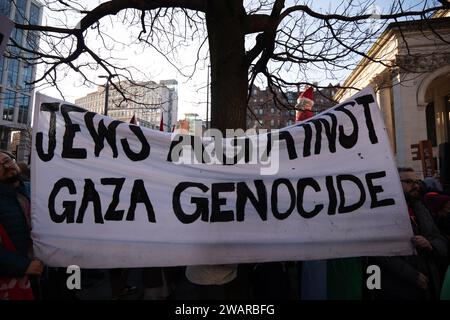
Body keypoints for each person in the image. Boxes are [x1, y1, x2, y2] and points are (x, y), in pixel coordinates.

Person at [370, 167, 448, 300]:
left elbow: (440, 238)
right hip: (399, 288)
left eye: (416, 181)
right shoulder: (383, 212)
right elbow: (380, 252)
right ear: (394, 183)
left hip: (429, 284)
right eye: (409, 181)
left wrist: (430, 244)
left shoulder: (421, 208)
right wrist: (413, 275)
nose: (416, 186)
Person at [0, 150, 43, 300]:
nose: (6, 166)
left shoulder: (35, 190)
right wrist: (23, 266)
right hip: (14, 279)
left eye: (7, 161)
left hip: (41, 272)